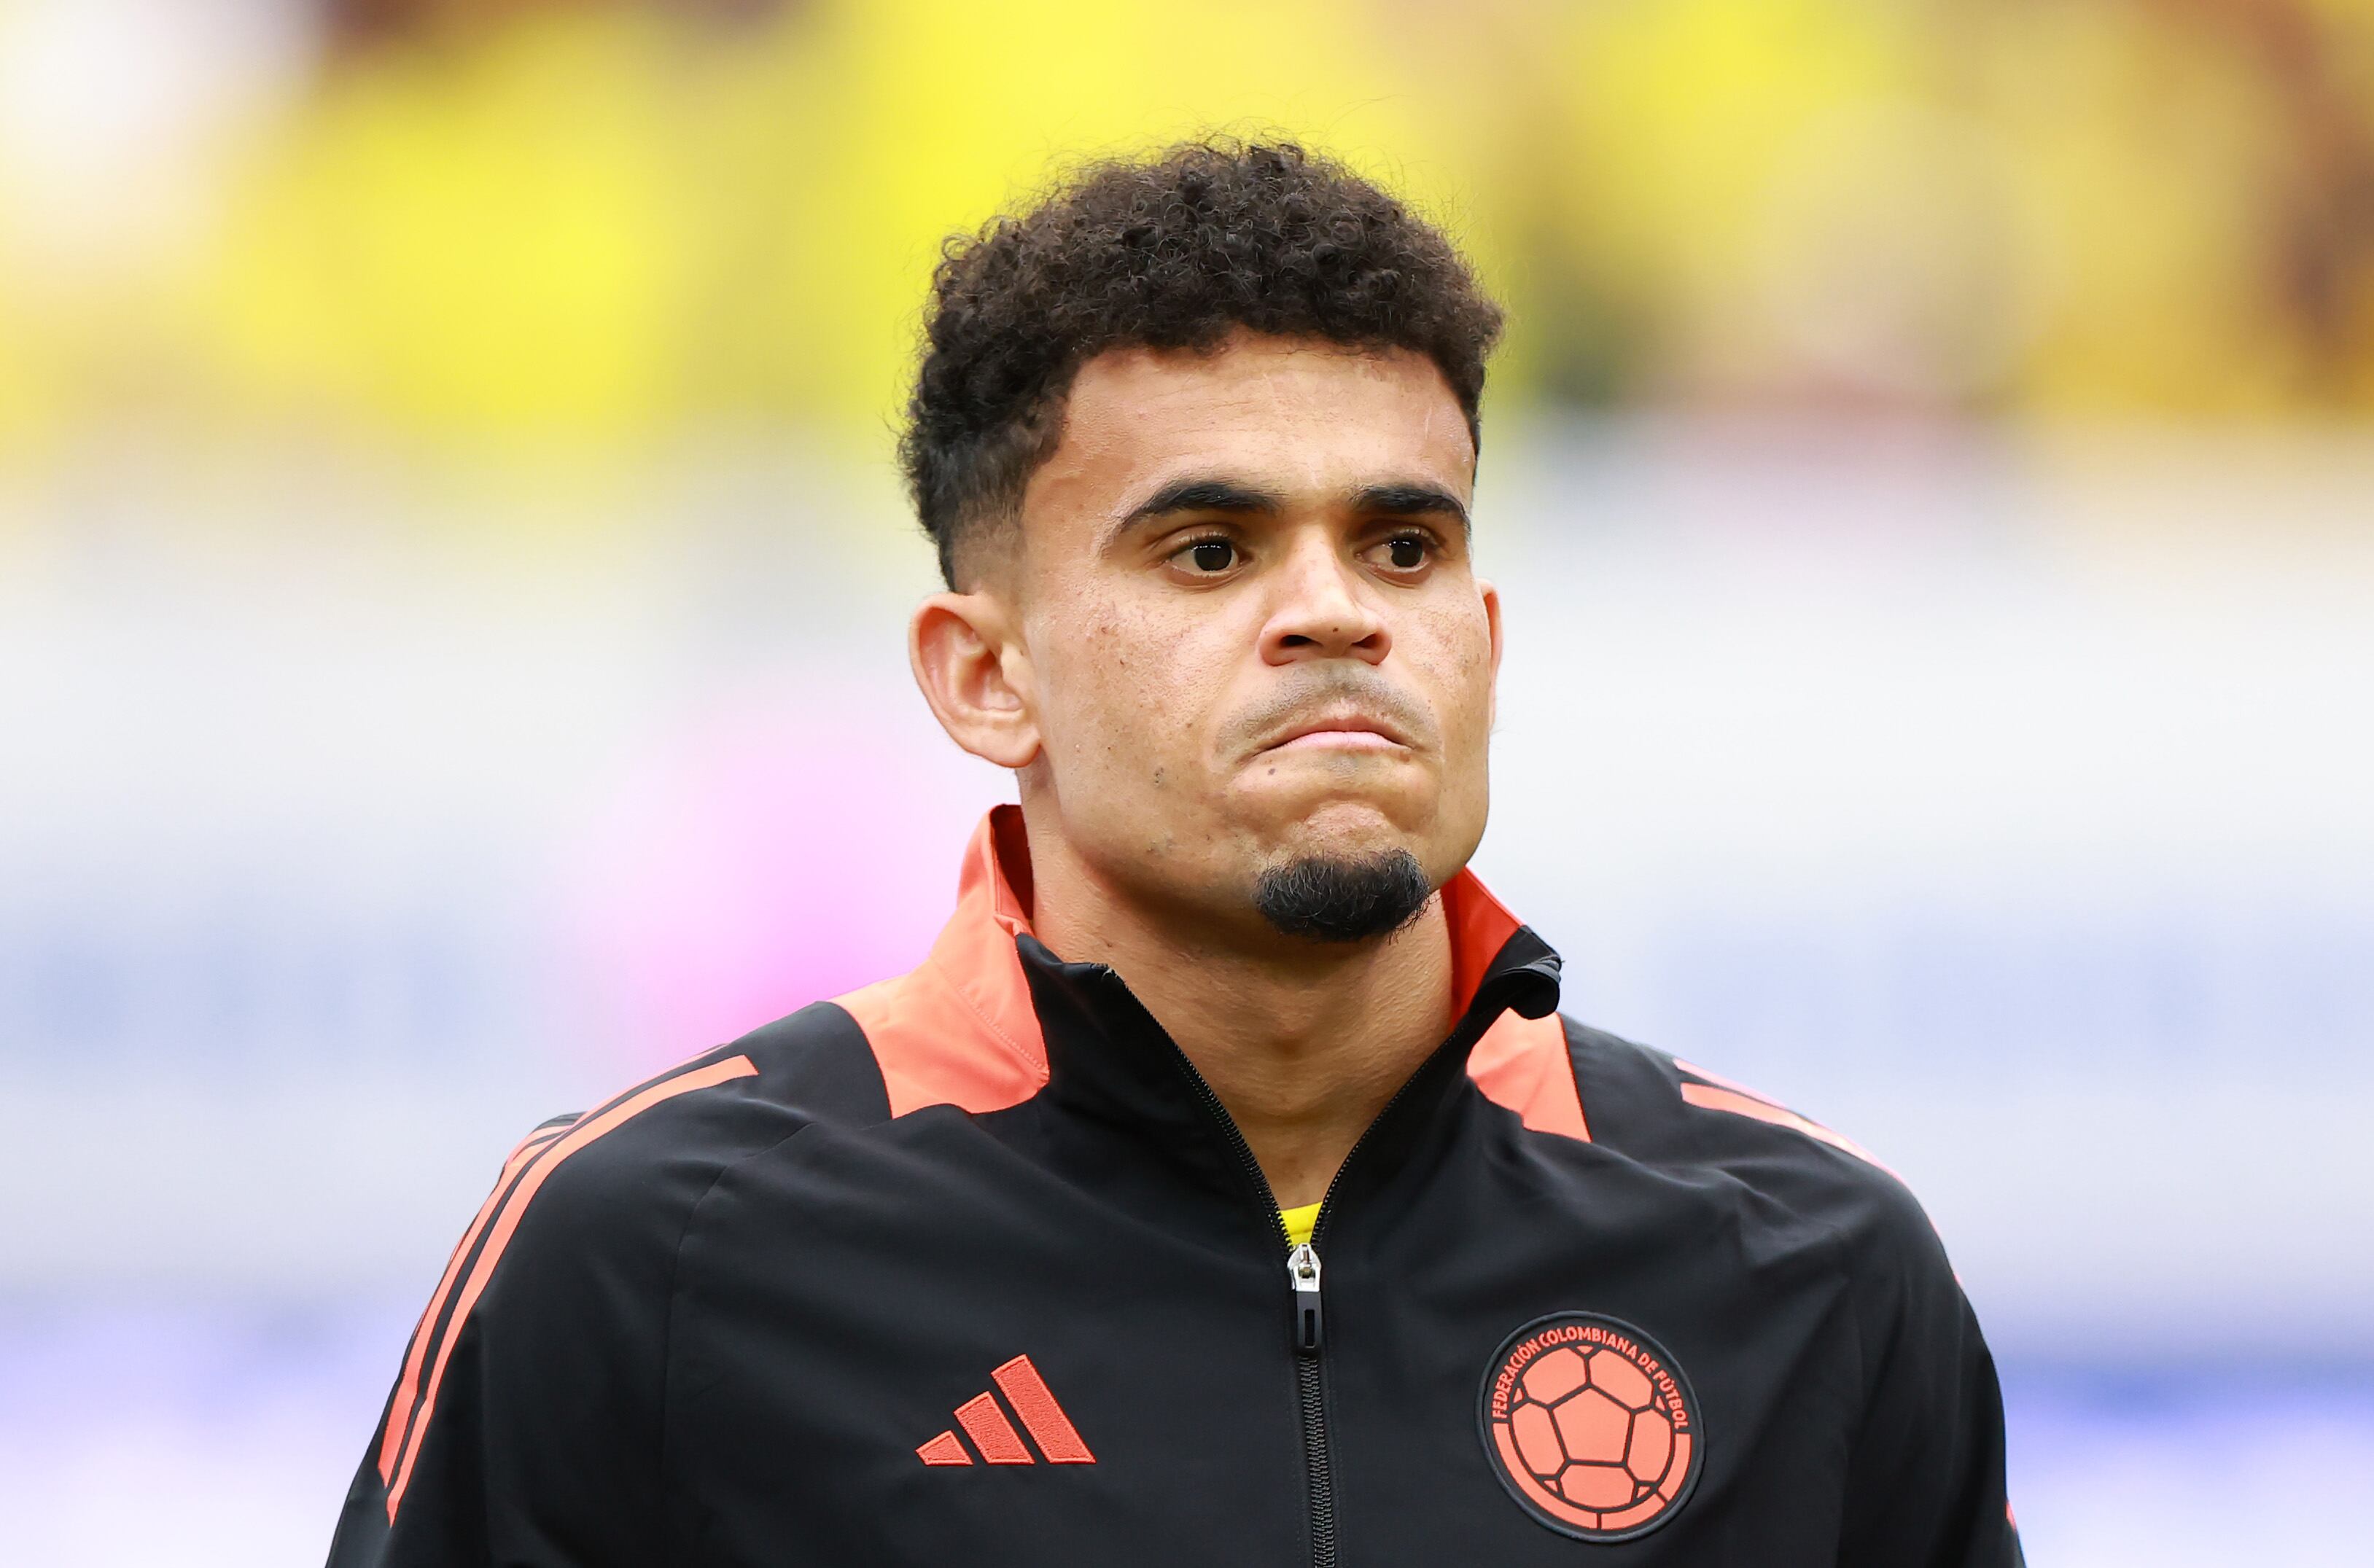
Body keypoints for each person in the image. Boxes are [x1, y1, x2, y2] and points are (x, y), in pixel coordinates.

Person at [328, 141, 2023, 1566]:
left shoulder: (1802, 1264)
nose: (1335, 612)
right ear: (986, 676)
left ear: (1483, 638)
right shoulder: (650, 1252)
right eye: (1210, 549)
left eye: (1402, 541)